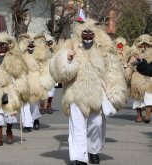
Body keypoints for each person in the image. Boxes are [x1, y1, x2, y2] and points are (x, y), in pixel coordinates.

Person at [49, 19, 127, 165]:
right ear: (80, 34)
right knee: (77, 126)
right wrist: (67, 59)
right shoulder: (70, 46)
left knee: (96, 124)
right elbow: (57, 70)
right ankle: (79, 157)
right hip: (75, 93)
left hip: (97, 93)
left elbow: (113, 71)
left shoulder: (104, 49)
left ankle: (93, 150)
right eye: (84, 34)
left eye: (90, 34)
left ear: (95, 35)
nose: (87, 37)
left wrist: (115, 92)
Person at [0, 32, 30, 146]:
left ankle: (9, 130)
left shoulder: (14, 60)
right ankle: (0, 138)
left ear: (8, 46)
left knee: (9, 113)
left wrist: (21, 89)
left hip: (9, 89)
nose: (0, 46)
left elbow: (20, 75)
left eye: (3, 44)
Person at [126, 34, 152, 123]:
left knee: (149, 96)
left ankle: (148, 115)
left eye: (146, 44)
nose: (144, 47)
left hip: (148, 77)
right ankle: (139, 115)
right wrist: (128, 75)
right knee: (137, 98)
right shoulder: (134, 53)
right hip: (137, 77)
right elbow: (130, 65)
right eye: (142, 44)